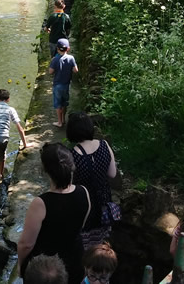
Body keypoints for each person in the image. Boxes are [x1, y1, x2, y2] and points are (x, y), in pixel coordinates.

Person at [17, 142, 91, 284]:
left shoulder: (40, 204)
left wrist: (21, 265)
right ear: (71, 166)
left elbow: (26, 244)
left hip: (45, 271)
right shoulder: (84, 192)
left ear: (45, 170)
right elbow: (80, 226)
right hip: (75, 260)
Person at [67, 112, 117, 248]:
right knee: (101, 241)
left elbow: (69, 186)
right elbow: (112, 174)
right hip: (104, 203)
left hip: (84, 206)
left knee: (85, 244)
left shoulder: (72, 155)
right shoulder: (104, 145)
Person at [49, 38, 78, 127]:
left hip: (57, 85)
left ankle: (59, 122)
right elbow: (75, 70)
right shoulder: (71, 58)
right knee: (64, 102)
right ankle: (64, 119)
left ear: (57, 49)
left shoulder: (55, 59)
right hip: (66, 84)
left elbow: (50, 71)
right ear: (68, 48)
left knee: (58, 104)